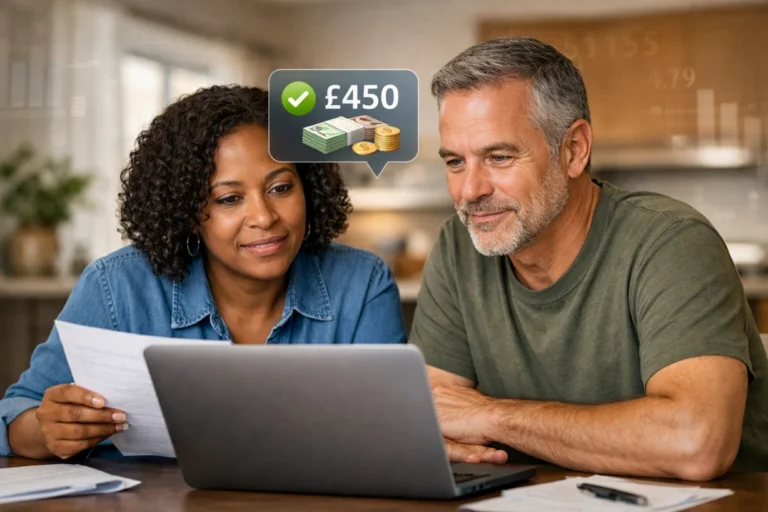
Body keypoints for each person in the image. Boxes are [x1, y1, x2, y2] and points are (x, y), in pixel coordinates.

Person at [410, 37, 768, 481]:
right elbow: (433, 416)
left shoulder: (671, 242)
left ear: (574, 149)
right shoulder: (458, 247)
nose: (469, 191)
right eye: (455, 162)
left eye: (499, 157)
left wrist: (494, 417)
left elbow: (696, 442)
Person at [1, 85, 407, 460]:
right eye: (229, 199)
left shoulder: (362, 283)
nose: (264, 217)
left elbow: (394, 432)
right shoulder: (117, 287)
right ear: (188, 212)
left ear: (309, 187)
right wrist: (45, 428)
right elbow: (15, 415)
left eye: (281, 188)